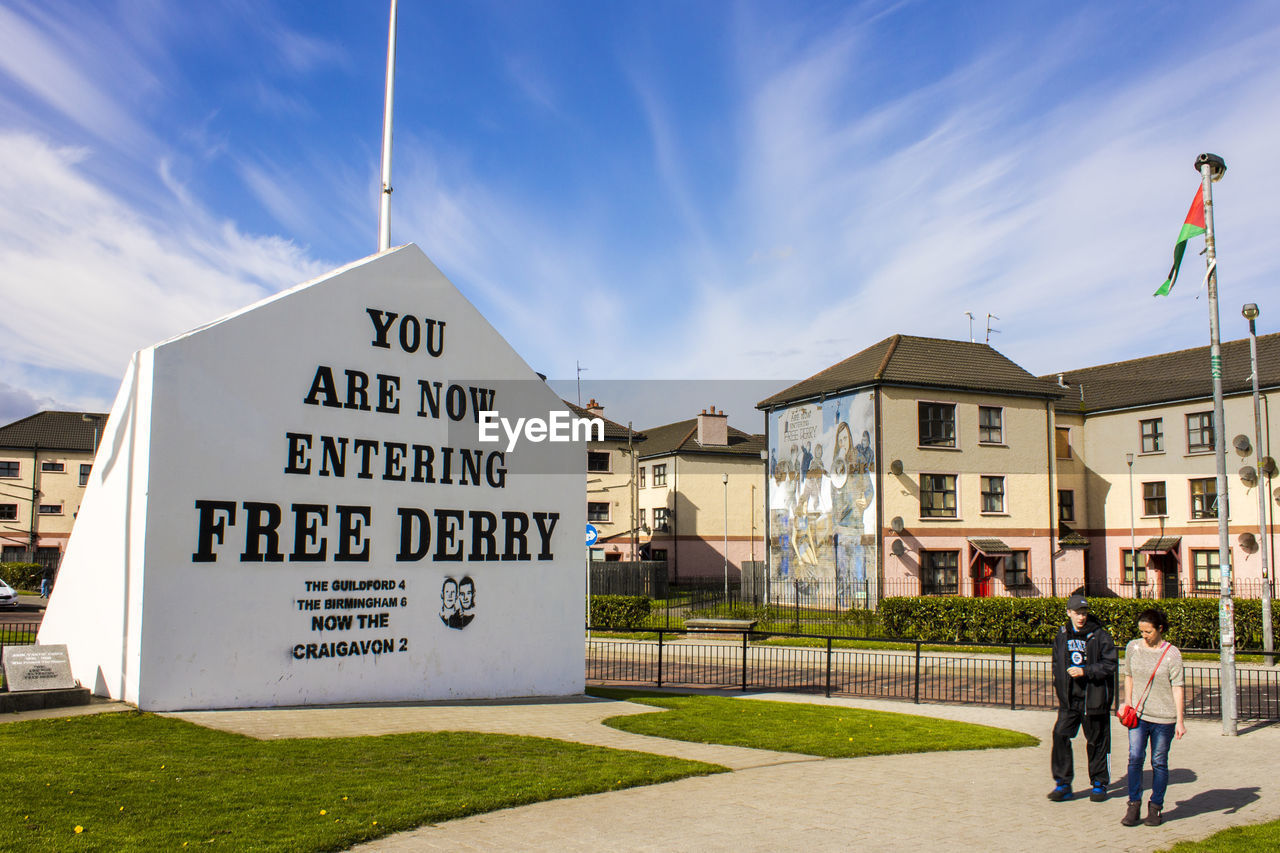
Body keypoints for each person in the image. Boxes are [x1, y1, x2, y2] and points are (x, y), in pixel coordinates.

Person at [1049, 593, 1118, 803]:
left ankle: (1099, 783)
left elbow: (1110, 665)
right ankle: (1063, 784)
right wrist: (1060, 687)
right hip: (1070, 701)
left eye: (1084, 613)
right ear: (1069, 613)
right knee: (1060, 735)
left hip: (1093, 699)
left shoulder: (1100, 636)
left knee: (1097, 741)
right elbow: (1056, 663)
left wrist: (1085, 671)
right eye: (1078, 613)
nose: (1081, 617)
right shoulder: (1062, 636)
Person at [1120, 608, 1185, 828]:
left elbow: (1177, 687)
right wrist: (1127, 703)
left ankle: (1155, 807)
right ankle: (1133, 804)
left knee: (1158, 762)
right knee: (1135, 758)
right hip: (1138, 716)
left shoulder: (1172, 654)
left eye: (1148, 631)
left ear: (1160, 629)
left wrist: (1180, 720)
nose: (1144, 635)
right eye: (1141, 631)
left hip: (1164, 718)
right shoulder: (1133, 647)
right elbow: (1128, 675)